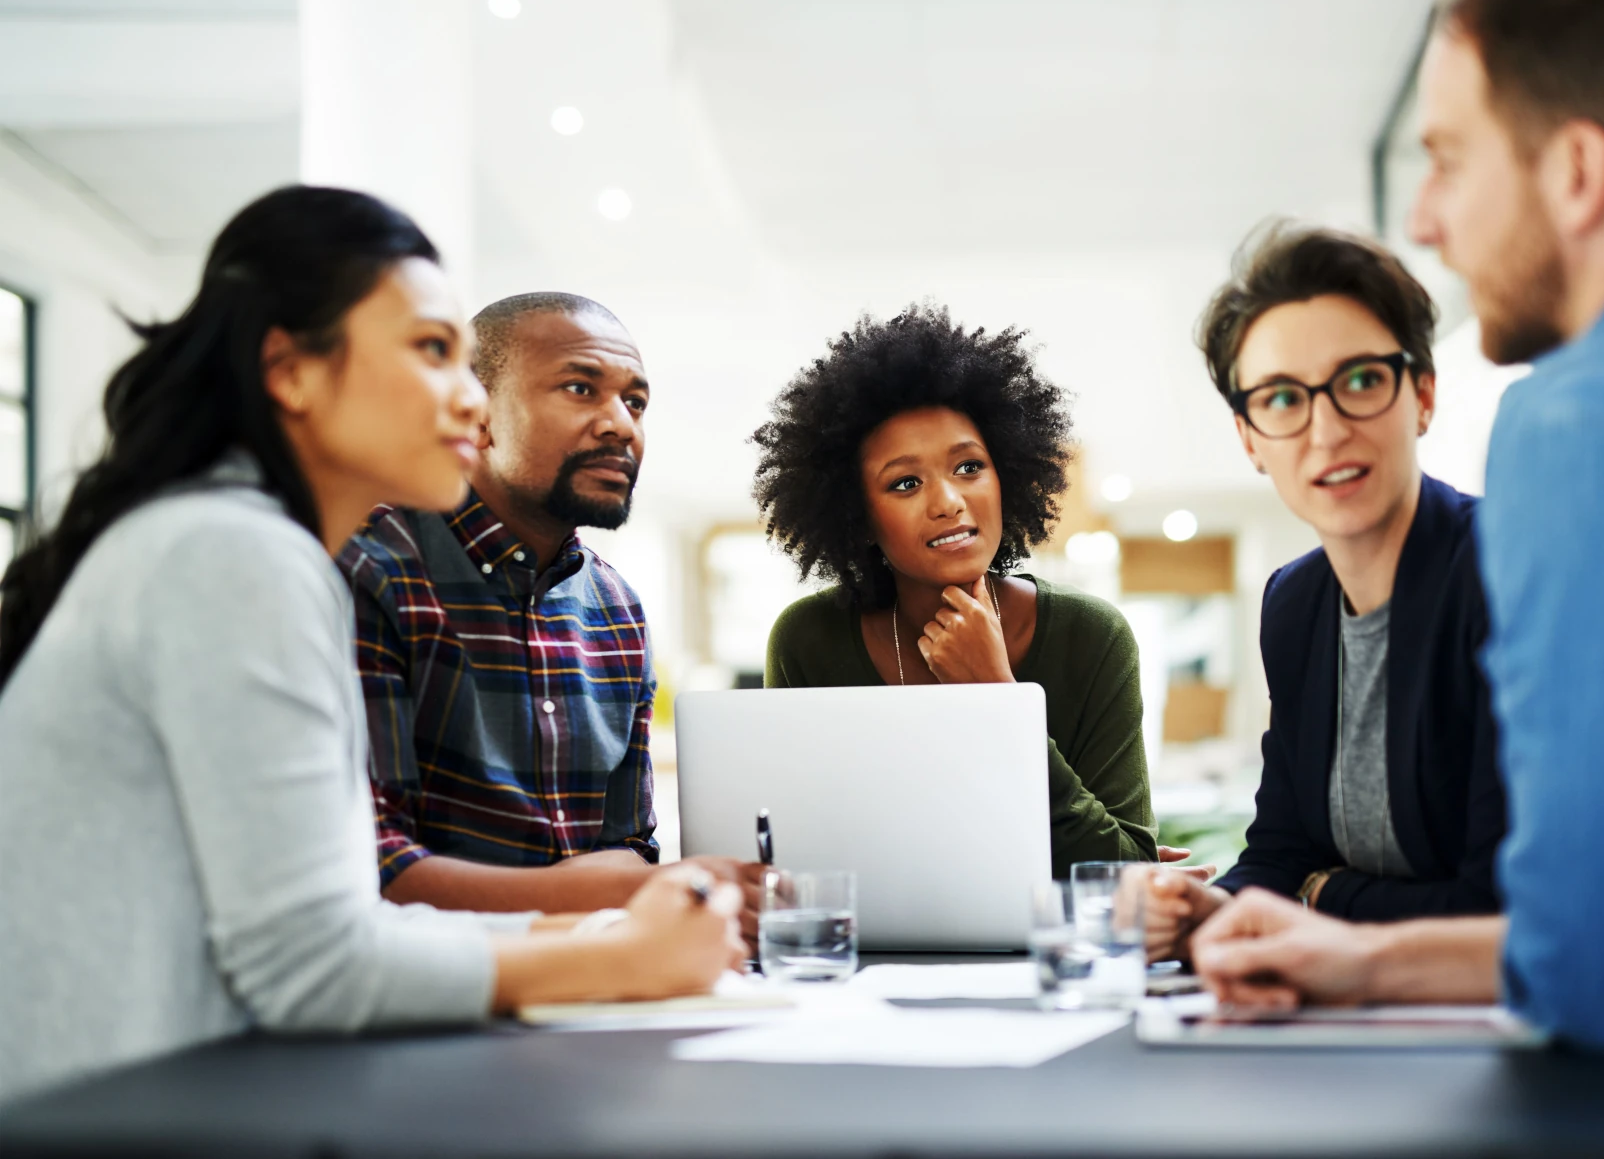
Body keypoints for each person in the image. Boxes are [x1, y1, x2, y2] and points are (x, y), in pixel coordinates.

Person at [0, 187, 744, 1103]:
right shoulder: (234, 555)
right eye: (434, 353)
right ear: (291, 371)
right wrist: (616, 957)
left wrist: (587, 934)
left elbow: (318, 932)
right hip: (111, 1112)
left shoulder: (234, 542)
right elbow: (313, 963)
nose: (470, 398)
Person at [1192, 0, 1604, 1079]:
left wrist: (1351, 941)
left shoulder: (1597, 424)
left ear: (1576, 171)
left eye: (1448, 159)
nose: (1427, 216)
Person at [336, 292, 763, 935]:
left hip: (592, 978)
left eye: (635, 402)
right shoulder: (373, 569)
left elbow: (628, 847)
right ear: (476, 416)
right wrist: (618, 893)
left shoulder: (618, 611)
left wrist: (646, 889)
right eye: (580, 388)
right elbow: (368, 866)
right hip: (431, 988)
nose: (620, 423)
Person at [1140, 225, 1503, 960]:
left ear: (1422, 394)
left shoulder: (1503, 569)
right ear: (1250, 438)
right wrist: (1207, 908)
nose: (1326, 430)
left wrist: (1323, 894)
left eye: (1361, 381)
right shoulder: (1294, 604)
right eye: (1282, 399)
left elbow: (1496, 899)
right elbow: (1280, 848)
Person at [751, 304, 1159, 877]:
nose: (947, 500)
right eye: (906, 482)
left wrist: (999, 697)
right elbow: (794, 863)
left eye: (969, 467)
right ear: (859, 515)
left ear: (1006, 477)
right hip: (867, 959)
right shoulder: (808, 641)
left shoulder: (1090, 636)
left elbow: (1123, 875)